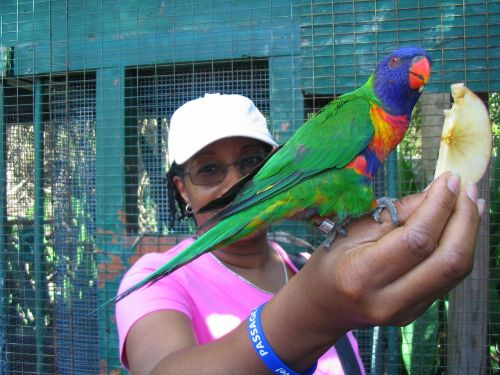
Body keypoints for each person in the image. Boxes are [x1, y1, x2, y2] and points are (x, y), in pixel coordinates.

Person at [116, 93, 484, 375]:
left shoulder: (305, 262)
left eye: (250, 163)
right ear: (182, 190)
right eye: (209, 169)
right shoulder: (154, 278)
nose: (236, 182)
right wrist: (317, 311)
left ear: (275, 159)